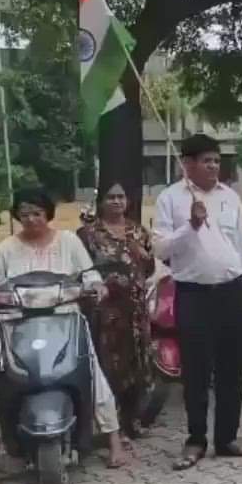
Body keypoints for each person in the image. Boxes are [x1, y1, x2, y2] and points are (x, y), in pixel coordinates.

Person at [0, 188, 128, 484]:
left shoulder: (69, 242)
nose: (31, 219)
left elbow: (88, 274)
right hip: (17, 324)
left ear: (48, 213)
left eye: (37, 212)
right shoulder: (6, 248)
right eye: (25, 213)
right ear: (17, 215)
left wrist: (96, 286)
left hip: (64, 320)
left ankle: (114, 442)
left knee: (93, 375)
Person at [153, 134, 242, 471]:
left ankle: (227, 437)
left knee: (232, 370)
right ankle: (195, 440)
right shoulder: (170, 199)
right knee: (196, 372)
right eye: (206, 161)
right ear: (187, 164)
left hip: (232, 293)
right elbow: (160, 249)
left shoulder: (230, 197)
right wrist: (191, 226)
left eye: (217, 161)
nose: (214, 167)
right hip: (193, 295)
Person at [77, 182, 155, 440]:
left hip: (136, 311)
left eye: (121, 197)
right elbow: (80, 271)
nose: (116, 201)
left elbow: (150, 268)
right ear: (101, 202)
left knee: (138, 366)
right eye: (110, 197)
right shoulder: (87, 234)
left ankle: (133, 421)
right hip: (106, 313)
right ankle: (110, 427)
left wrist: (142, 253)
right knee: (110, 367)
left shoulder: (138, 231)